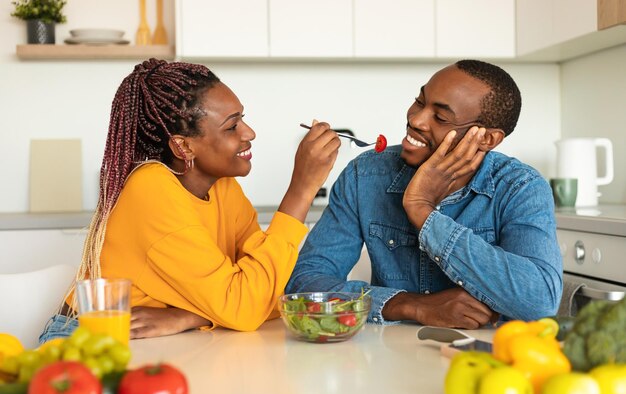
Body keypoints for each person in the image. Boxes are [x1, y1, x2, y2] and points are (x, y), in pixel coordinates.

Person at [40, 58, 340, 342]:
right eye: (232, 126)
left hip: (157, 338)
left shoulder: (224, 188)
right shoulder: (150, 190)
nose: (250, 133)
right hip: (89, 334)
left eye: (243, 119)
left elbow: (269, 291)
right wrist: (302, 190)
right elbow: (245, 308)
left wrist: (187, 317)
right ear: (183, 146)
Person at [286, 59, 563, 329]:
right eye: (420, 101)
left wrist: (422, 210)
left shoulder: (520, 187)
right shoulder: (365, 175)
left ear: (486, 139)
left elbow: (540, 302)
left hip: (490, 359)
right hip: (389, 359)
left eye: (441, 117)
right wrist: (411, 305)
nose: (415, 119)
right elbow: (306, 284)